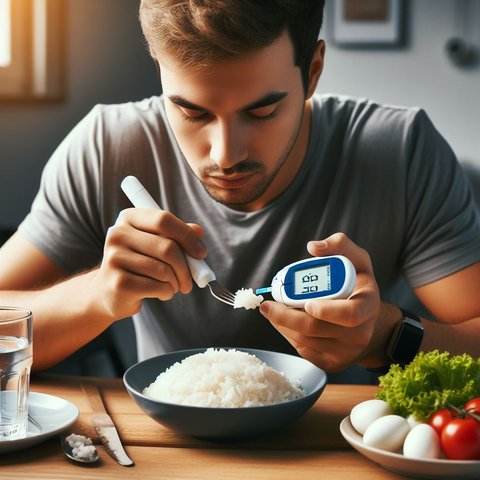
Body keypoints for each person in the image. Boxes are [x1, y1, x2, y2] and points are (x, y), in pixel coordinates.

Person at [0, 0, 479, 383]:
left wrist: (385, 336)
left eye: (262, 113)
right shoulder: (107, 146)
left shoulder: (402, 149)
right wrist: (98, 296)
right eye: (191, 111)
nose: (225, 154)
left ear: (312, 72)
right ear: (161, 74)